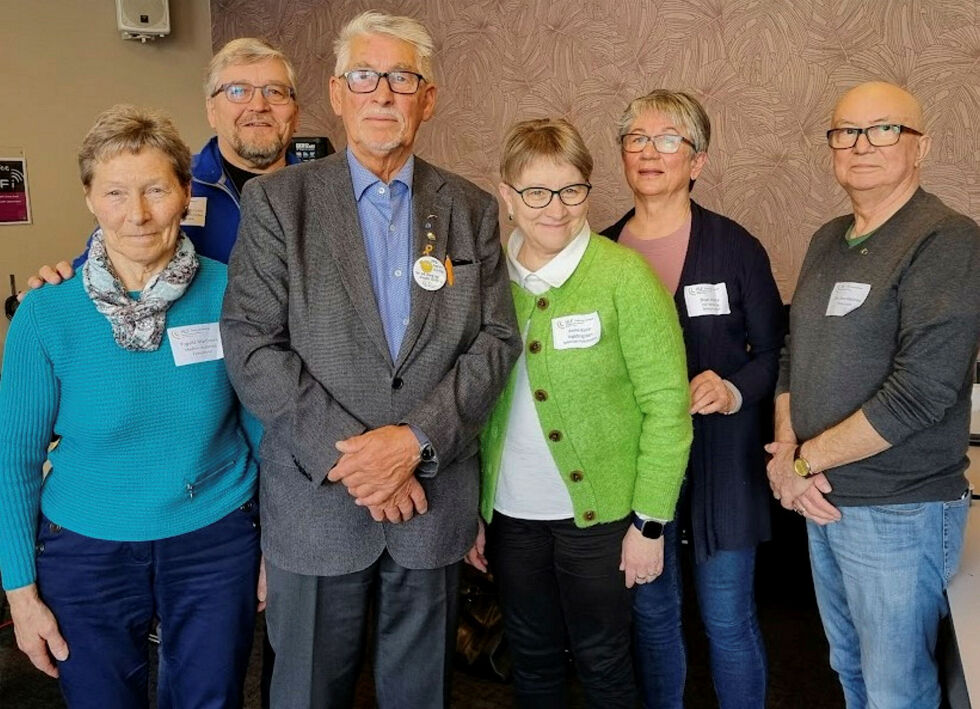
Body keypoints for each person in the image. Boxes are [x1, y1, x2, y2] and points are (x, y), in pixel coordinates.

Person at [219, 11, 521, 709]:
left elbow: (496, 340)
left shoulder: (471, 209)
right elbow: (252, 343)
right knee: (304, 695)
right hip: (318, 503)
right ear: (336, 91)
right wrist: (361, 460)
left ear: (429, 97)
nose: (383, 93)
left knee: (421, 696)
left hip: (433, 501)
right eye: (365, 76)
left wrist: (412, 443)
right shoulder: (277, 203)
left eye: (402, 78)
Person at [0, 104, 260, 708]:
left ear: (184, 193)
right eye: (115, 192)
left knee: (211, 699)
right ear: (90, 198)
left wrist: (273, 545)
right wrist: (20, 592)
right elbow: (12, 464)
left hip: (214, 539)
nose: (138, 214)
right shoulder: (47, 312)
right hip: (86, 551)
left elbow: (262, 427)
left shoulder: (232, 293)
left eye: (155, 190)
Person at [465, 117, 692, 707]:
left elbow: (668, 408)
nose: (556, 209)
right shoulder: (483, 281)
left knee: (604, 662)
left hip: (602, 520)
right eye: (537, 192)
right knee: (531, 660)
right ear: (507, 195)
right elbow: (469, 404)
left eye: (571, 190)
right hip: (511, 517)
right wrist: (474, 508)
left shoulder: (625, 277)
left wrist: (650, 523)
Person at [767, 81, 979, 708]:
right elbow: (791, 358)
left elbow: (924, 390)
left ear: (921, 146)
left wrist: (804, 463)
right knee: (849, 669)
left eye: (883, 129)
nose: (861, 145)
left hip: (898, 511)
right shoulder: (827, 237)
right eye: (845, 131)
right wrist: (786, 454)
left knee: (895, 690)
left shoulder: (947, 239)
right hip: (820, 498)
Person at [602, 90, 784, 708]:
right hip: (639, 468)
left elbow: (775, 358)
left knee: (727, 620)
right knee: (651, 618)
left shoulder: (736, 249)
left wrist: (733, 388)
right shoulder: (599, 254)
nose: (650, 152)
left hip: (723, 465)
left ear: (697, 161)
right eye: (636, 139)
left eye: (669, 139)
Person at [24, 36, 302, 288]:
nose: (258, 105)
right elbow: (106, 261)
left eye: (275, 92)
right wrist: (57, 286)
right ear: (211, 110)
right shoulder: (167, 182)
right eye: (238, 91)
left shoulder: (326, 193)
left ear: (295, 111)